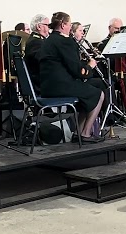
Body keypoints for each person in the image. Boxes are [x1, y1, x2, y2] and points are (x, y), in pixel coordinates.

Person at [40, 12, 105, 143]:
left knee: (85, 95)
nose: (70, 27)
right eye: (69, 25)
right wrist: (90, 66)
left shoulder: (49, 40)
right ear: (63, 25)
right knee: (99, 94)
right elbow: (76, 70)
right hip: (61, 86)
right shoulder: (65, 41)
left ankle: (78, 133)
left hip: (47, 86)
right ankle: (86, 133)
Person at [24, 14, 50, 92]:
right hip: (43, 86)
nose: (49, 28)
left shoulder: (38, 41)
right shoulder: (35, 42)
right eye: (47, 25)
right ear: (39, 27)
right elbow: (46, 63)